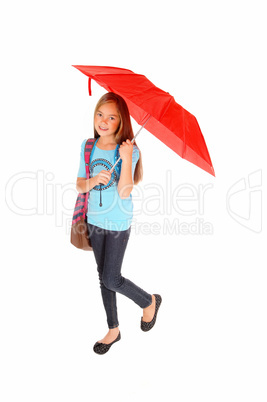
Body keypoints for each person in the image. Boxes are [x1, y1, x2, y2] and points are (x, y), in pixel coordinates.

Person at [76, 92, 162, 354]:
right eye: (100, 114)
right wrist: (93, 181)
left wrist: (125, 158)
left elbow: (125, 190)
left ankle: (149, 302)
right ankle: (113, 329)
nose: (104, 121)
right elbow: (80, 183)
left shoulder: (129, 150)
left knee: (112, 278)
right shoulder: (88, 146)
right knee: (103, 278)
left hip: (117, 223)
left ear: (121, 121)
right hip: (93, 220)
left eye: (112, 117)